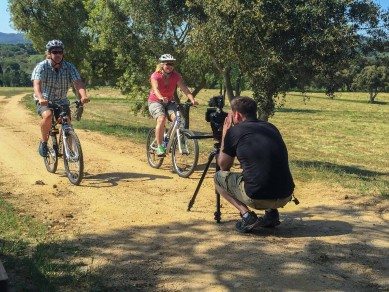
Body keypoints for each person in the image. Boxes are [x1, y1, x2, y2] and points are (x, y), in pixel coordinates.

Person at [214, 96, 295, 233]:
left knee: (218, 178)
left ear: (237, 115)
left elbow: (223, 166)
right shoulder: (271, 127)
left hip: (257, 198)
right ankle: (271, 214)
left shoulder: (235, 131)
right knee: (260, 171)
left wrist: (225, 134)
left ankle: (247, 216)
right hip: (286, 195)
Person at [31, 39, 90, 157]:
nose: (57, 54)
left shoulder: (69, 67)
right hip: (45, 100)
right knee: (47, 116)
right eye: (54, 52)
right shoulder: (42, 66)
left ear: (63, 53)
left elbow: (78, 83)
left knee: (67, 122)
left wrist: (83, 96)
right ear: (49, 53)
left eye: (60, 52)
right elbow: (37, 84)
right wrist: (41, 98)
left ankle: (70, 150)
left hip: (62, 101)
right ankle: (43, 142)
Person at [148, 54, 198, 157]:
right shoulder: (155, 75)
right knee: (161, 119)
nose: (170, 66)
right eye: (167, 64)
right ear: (162, 64)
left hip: (169, 102)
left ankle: (167, 140)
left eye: (172, 64)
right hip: (155, 101)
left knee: (178, 120)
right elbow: (155, 89)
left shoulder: (176, 76)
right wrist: (161, 97)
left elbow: (184, 88)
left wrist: (192, 99)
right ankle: (160, 146)